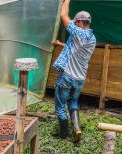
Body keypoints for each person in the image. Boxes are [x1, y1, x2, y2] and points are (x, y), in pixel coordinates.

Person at [53, 0, 96, 142]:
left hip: (67, 77)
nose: (73, 23)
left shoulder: (77, 32)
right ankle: (76, 128)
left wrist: (66, 0)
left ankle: (63, 135)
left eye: (75, 22)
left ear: (79, 22)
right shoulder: (91, 38)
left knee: (60, 106)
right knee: (73, 103)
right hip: (79, 80)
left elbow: (63, 14)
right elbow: (76, 47)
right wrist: (62, 44)